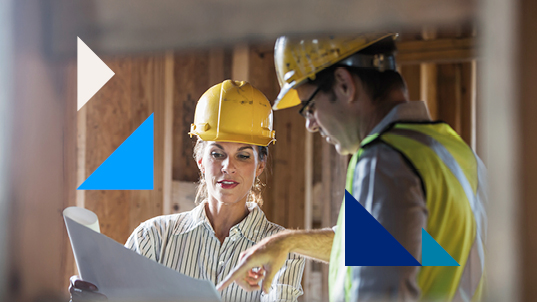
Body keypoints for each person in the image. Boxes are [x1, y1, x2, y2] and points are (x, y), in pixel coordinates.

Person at [217, 34, 487, 302]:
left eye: (309, 107)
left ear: (344, 84)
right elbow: (395, 245)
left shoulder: (385, 159)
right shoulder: (457, 154)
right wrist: (286, 242)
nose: (311, 124)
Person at [69, 80, 305, 302]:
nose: (228, 167)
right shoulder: (152, 239)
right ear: (200, 159)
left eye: (243, 156)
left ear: (260, 166)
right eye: (217, 153)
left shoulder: (282, 250)